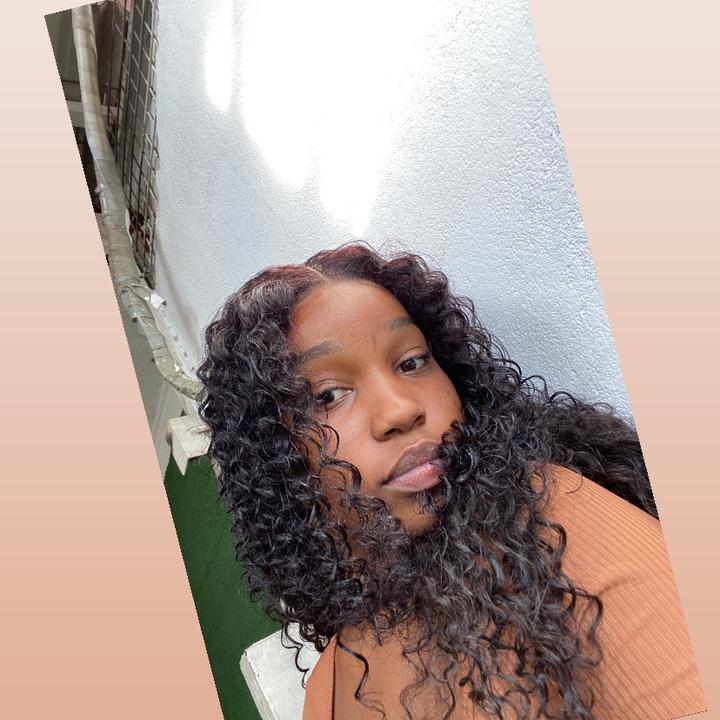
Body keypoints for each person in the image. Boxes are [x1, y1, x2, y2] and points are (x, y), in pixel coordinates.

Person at [197, 243, 705, 719]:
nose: (400, 409)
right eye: (328, 395)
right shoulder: (326, 685)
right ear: (276, 456)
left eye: (411, 362)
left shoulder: (559, 531)